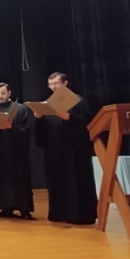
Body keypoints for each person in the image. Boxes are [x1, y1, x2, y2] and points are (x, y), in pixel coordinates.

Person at [33, 72, 97, 224]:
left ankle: (80, 216)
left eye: (56, 83)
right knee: (57, 182)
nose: (53, 87)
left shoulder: (79, 101)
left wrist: (70, 118)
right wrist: (38, 119)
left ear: (65, 83)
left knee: (76, 184)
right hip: (54, 151)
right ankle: (59, 214)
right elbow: (42, 135)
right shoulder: (47, 104)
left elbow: (90, 124)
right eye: (50, 84)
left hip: (74, 152)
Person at [0, 83, 34, 219]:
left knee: (21, 180)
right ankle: (6, 208)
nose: (0, 96)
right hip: (0, 153)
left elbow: (26, 129)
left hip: (18, 153)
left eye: (3, 93)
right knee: (3, 180)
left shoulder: (20, 109)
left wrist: (12, 126)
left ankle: (25, 210)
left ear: (9, 93)